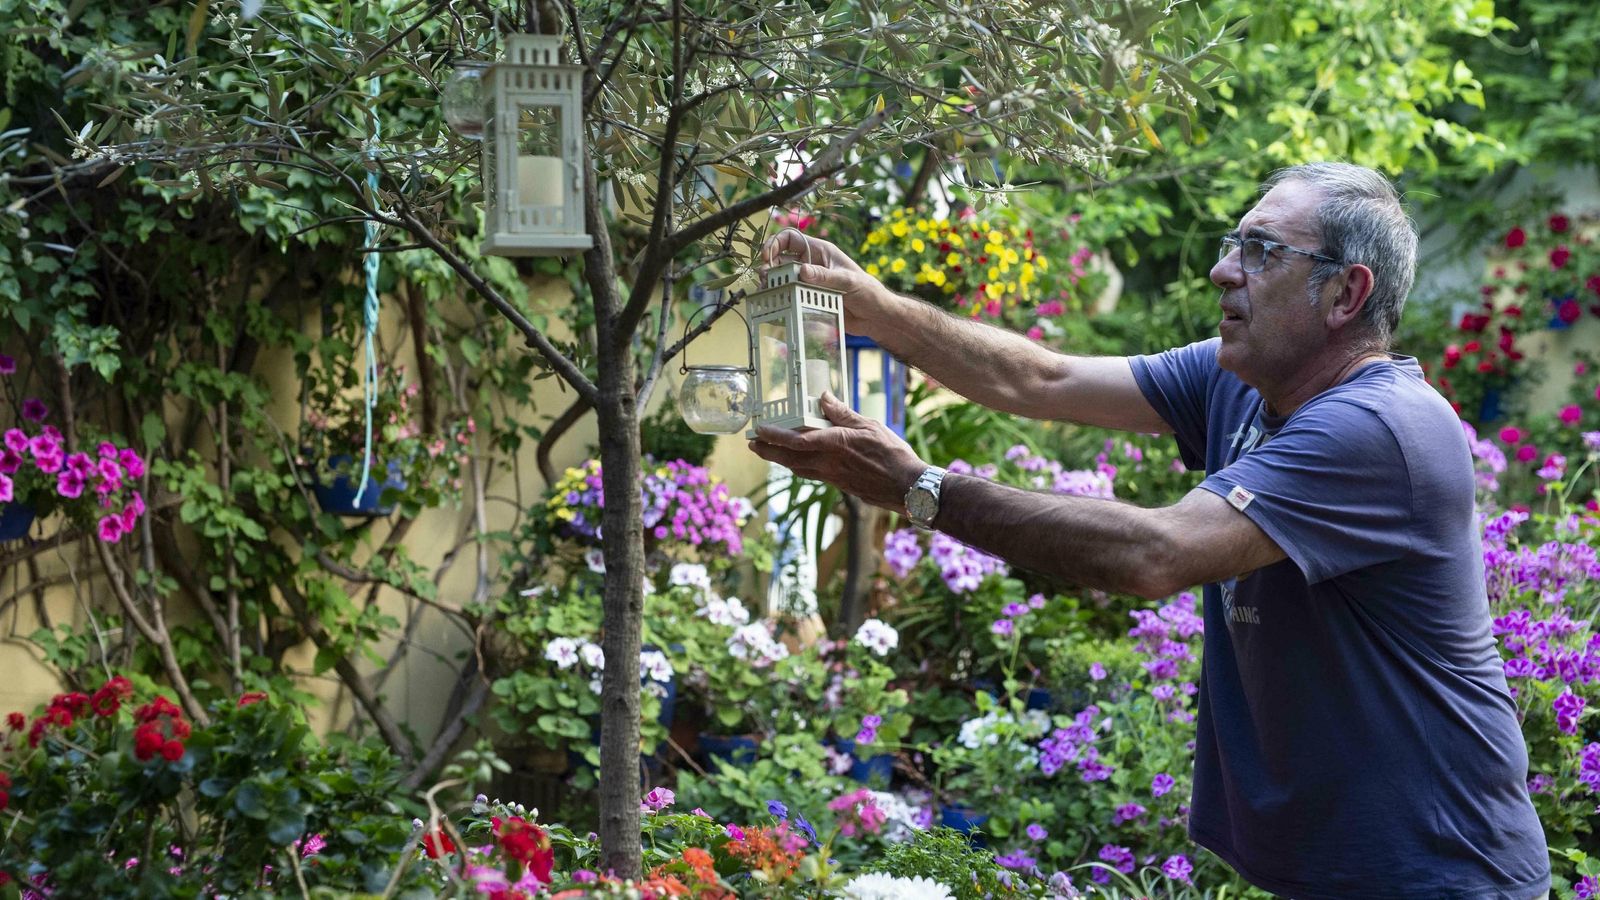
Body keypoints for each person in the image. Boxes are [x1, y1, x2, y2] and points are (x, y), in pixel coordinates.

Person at [748, 162, 1551, 899]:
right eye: (1234, 242)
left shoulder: (1381, 428)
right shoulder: (1239, 379)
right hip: (1340, 868)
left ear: (1345, 295)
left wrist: (918, 487)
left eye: (1262, 251)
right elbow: (1041, 377)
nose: (1222, 269)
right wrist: (873, 307)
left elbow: (1154, 554)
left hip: (1444, 873)